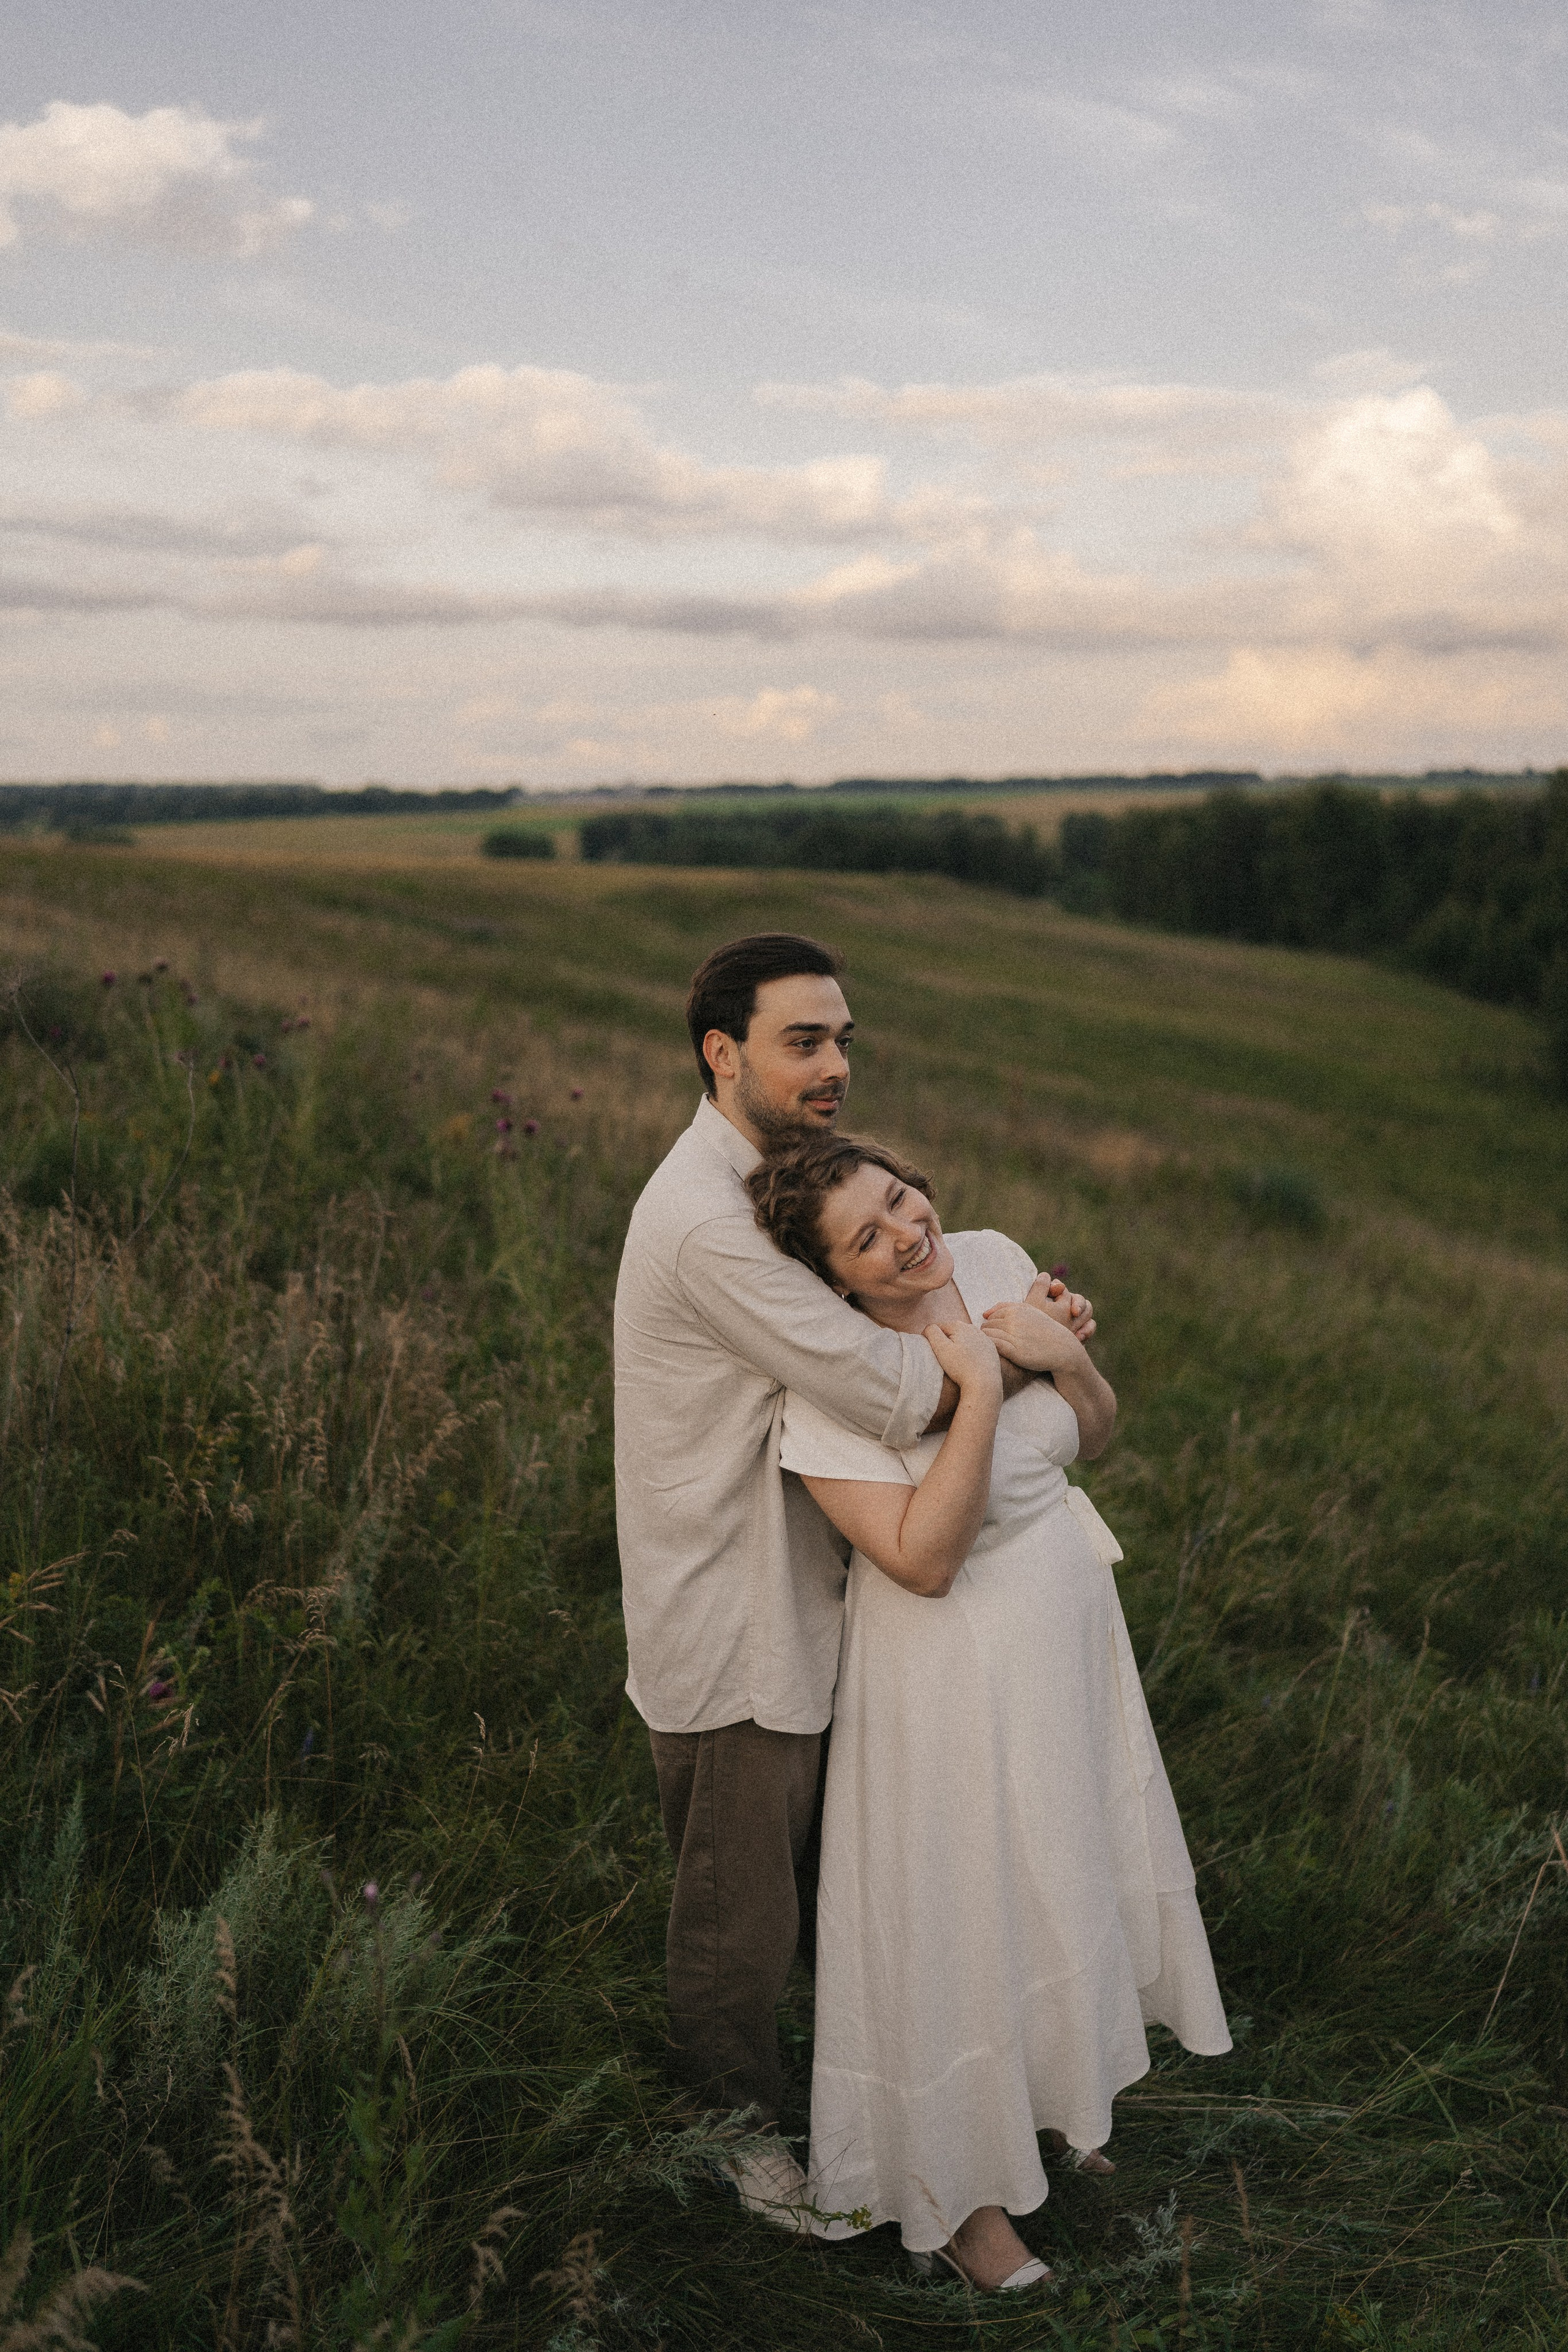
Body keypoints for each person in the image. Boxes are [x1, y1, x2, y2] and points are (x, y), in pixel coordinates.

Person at [612, 933, 1089, 2225]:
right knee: (741, 1922)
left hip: (834, 1594)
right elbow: (885, 1388)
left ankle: (890, 2116)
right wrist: (1008, 1340)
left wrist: (1003, 1318)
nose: (833, 1068)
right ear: (723, 1053)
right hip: (736, 1613)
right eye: (801, 1042)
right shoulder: (707, 1222)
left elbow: (891, 1317)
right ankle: (731, 2139)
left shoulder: (776, 1183)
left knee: (848, 1894)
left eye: (842, 1040)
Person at [745, 1132, 1232, 2293]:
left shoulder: (990, 1254)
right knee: (965, 1916)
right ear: (837, 1280)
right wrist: (975, 1389)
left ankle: (1054, 2100)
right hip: (947, 1671)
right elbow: (922, 1561)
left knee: (1060, 1874)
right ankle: (961, 2204)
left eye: (902, 1198)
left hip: (1064, 1623)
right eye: (869, 1236)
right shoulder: (834, 1382)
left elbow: (1089, 1440)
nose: (908, 1233)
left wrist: (1067, 1357)